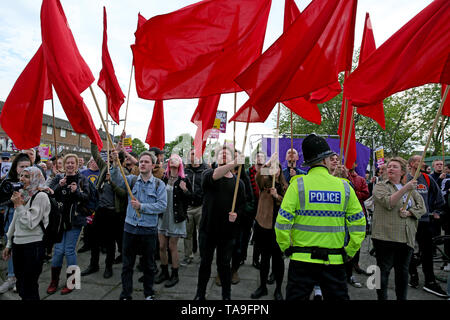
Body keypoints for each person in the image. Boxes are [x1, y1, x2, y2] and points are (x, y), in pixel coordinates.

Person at [275, 134, 366, 300]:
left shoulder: (297, 184)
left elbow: (282, 221)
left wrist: (285, 247)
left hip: (301, 260)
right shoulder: (344, 186)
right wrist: (350, 251)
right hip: (334, 261)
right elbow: (359, 223)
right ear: (325, 160)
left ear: (308, 162)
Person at [111, 150, 167, 300]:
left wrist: (142, 206)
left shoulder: (158, 184)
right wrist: (116, 163)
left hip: (148, 230)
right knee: (127, 265)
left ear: (153, 165)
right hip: (130, 228)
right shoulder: (132, 180)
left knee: (148, 265)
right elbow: (116, 180)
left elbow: (162, 206)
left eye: (146, 162)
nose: (142, 164)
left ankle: (148, 293)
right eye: (141, 161)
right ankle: (125, 294)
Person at [194, 145, 246, 300]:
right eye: (221, 153)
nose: (224, 155)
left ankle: (226, 296)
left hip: (227, 233)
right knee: (205, 264)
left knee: (224, 266)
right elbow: (216, 175)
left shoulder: (239, 184)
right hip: (208, 230)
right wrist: (235, 163)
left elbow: (243, 206)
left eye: (227, 153)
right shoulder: (208, 174)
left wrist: (236, 214)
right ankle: (200, 294)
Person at [372, 157, 426, 300]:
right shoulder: (381, 186)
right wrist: (405, 189)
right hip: (384, 237)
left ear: (402, 171)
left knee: (402, 274)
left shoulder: (410, 190)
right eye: (389, 166)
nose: (390, 169)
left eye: (395, 167)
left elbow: (422, 208)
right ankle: (381, 298)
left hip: (405, 238)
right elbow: (389, 202)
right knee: (381, 273)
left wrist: (409, 213)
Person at [1, 167, 50, 300]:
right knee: (21, 285)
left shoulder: (41, 196)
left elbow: (30, 224)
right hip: (18, 245)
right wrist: (9, 244)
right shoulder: (23, 193)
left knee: (30, 286)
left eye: (27, 176)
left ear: (35, 178)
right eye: (21, 176)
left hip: (33, 246)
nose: (22, 179)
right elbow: (15, 222)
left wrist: (19, 205)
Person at [45, 153, 91, 295]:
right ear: (64, 165)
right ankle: (54, 281)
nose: (70, 165)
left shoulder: (82, 179)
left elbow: (87, 198)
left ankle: (72, 282)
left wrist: (76, 191)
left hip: (75, 221)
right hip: (59, 221)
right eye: (68, 163)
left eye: (73, 163)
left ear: (77, 165)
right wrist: (59, 186)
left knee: (69, 250)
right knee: (58, 251)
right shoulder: (59, 178)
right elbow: (49, 195)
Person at [80, 143, 126, 279]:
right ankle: (93, 265)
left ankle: (108, 267)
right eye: (111, 155)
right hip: (100, 210)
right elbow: (95, 154)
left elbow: (123, 194)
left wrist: (111, 182)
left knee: (110, 242)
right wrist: (94, 139)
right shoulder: (105, 167)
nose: (112, 157)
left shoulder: (124, 174)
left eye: (115, 156)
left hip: (113, 213)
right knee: (94, 240)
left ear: (120, 160)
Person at [407, 155, 447, 297]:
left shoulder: (428, 179)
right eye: (420, 161)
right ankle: (412, 275)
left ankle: (430, 282)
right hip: (408, 222)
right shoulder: (403, 179)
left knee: (427, 252)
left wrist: (436, 211)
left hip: (425, 222)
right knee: (408, 251)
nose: (423, 163)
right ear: (412, 164)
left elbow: (439, 198)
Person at [251, 155, 288, 300]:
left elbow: (287, 204)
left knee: (278, 260)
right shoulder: (264, 183)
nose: (275, 170)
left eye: (277, 167)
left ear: (280, 170)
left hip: (278, 228)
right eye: (272, 168)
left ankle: (278, 289)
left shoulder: (285, 186)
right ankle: (262, 287)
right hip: (263, 226)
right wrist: (268, 162)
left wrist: (277, 196)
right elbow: (258, 174)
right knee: (264, 259)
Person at [155, 154, 192, 288]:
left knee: (172, 247)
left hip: (176, 218)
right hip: (163, 216)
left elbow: (191, 199)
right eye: (171, 159)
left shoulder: (184, 180)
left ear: (180, 163)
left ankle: (174, 274)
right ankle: (164, 272)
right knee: (161, 246)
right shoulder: (163, 179)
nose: (173, 160)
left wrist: (185, 190)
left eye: (176, 159)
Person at [0, 153, 32, 295]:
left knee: (24, 249)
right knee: (10, 246)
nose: (24, 169)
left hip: (26, 219)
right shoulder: (9, 181)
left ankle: (22, 278)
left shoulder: (35, 180)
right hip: (10, 217)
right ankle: (12, 277)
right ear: (15, 167)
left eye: (27, 167)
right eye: (21, 167)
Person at [182, 148, 209, 266]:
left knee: (202, 233)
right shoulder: (185, 171)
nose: (195, 155)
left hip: (201, 207)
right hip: (187, 207)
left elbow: (207, 190)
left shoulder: (206, 171)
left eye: (197, 153)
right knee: (187, 234)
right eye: (192, 154)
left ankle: (203, 256)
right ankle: (188, 256)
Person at [246, 152, 266, 269]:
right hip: (251, 206)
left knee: (259, 234)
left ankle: (256, 259)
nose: (260, 158)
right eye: (258, 156)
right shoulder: (248, 172)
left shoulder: (266, 172)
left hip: (262, 206)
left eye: (262, 156)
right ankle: (243, 256)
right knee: (246, 232)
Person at [78, 157, 100, 254]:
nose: (95, 163)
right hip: (86, 203)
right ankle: (86, 244)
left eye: (97, 161)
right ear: (90, 162)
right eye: (93, 161)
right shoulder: (83, 173)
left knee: (98, 226)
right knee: (87, 225)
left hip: (98, 202)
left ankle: (99, 245)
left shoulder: (102, 172)